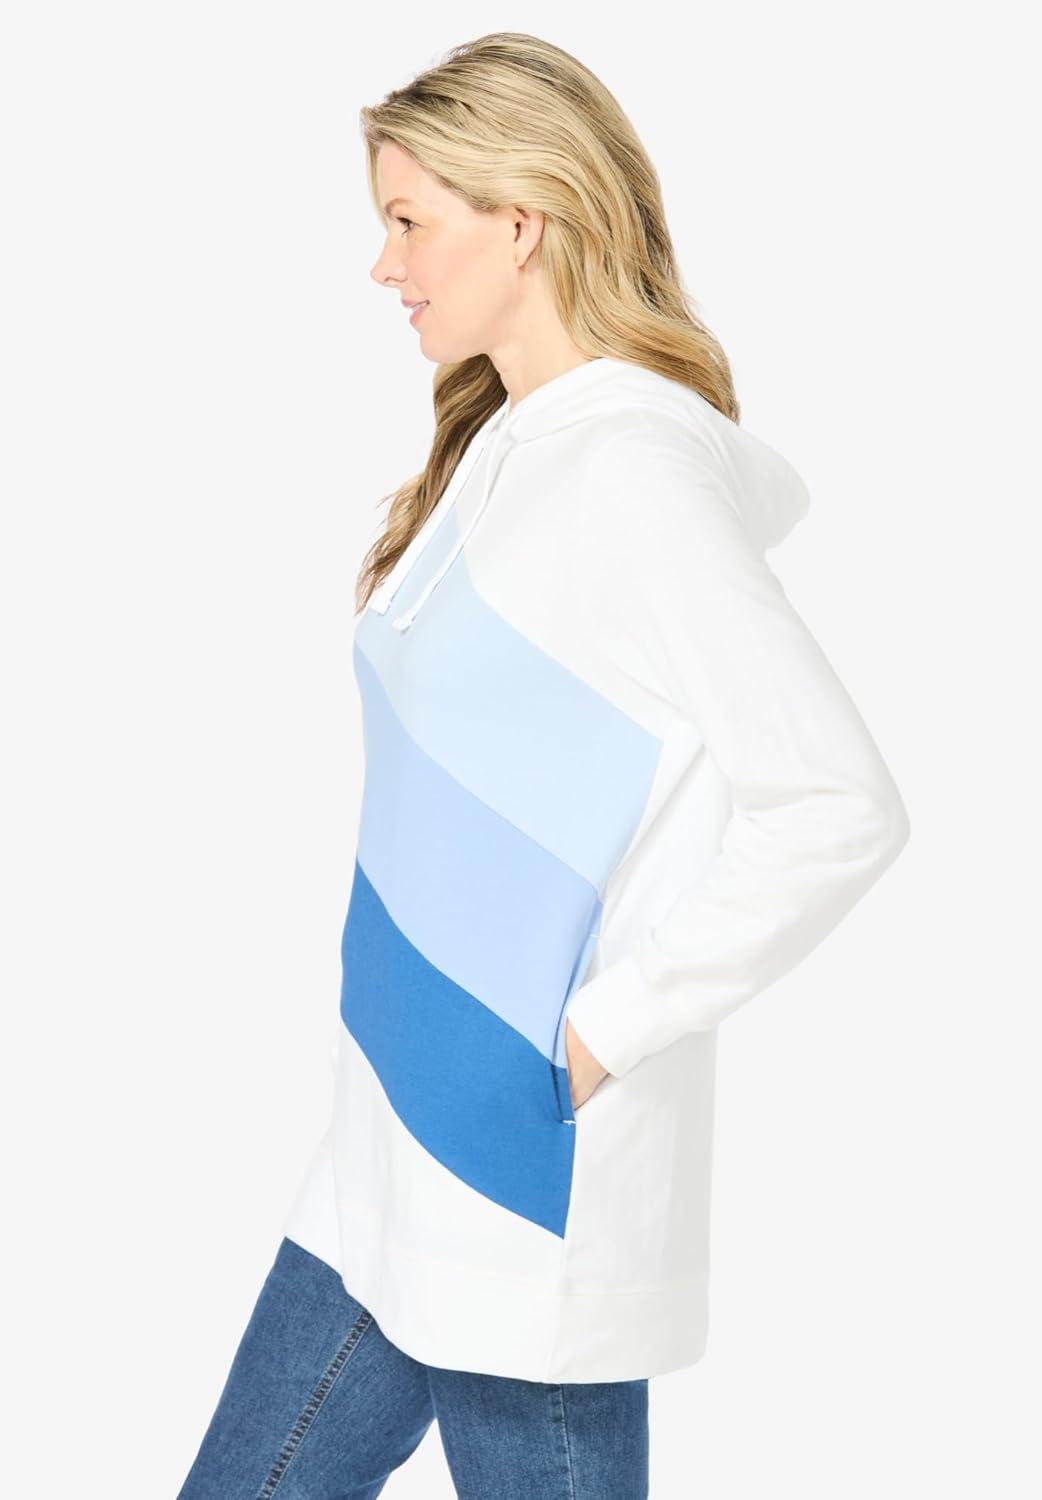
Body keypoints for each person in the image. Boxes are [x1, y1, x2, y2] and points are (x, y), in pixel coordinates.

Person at [176, 31, 910, 1499]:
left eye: (408, 221)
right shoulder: (507, 449)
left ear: (522, 220)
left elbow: (837, 802)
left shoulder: (633, 468)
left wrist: (594, 1036)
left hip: (521, 1179)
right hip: (380, 1147)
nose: (384, 266)